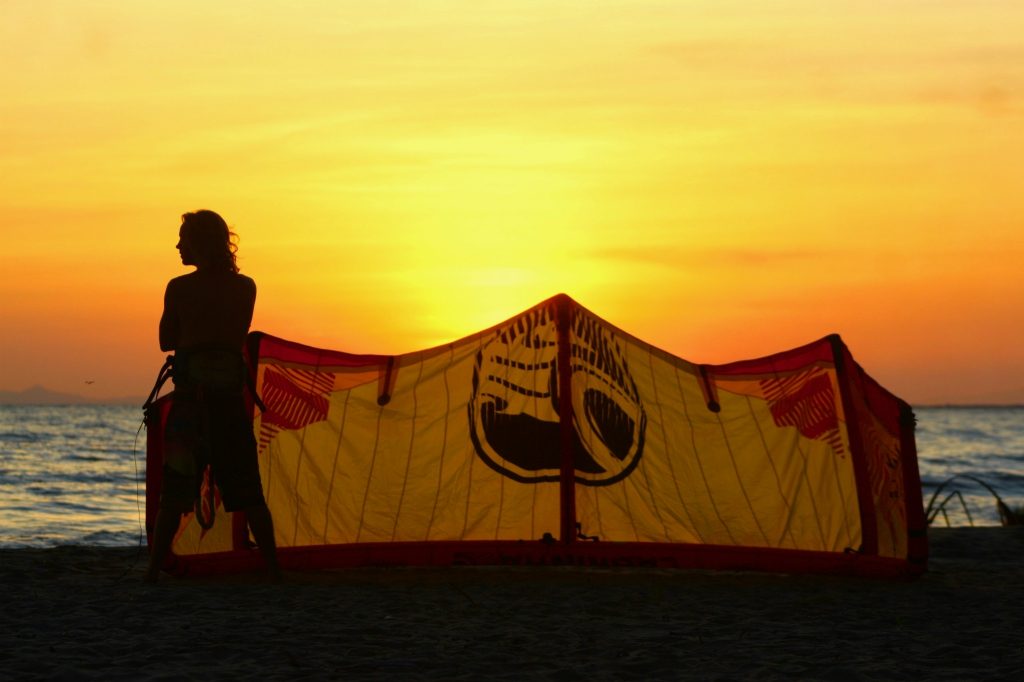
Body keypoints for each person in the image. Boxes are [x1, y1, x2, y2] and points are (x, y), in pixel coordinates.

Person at [144, 210, 281, 583]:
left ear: (200, 243)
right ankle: (273, 570)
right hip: (228, 405)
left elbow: (165, 341)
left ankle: (153, 571)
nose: (177, 245)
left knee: (174, 493)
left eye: (183, 238)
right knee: (250, 492)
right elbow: (236, 335)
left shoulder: (179, 287)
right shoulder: (246, 287)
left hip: (189, 405)